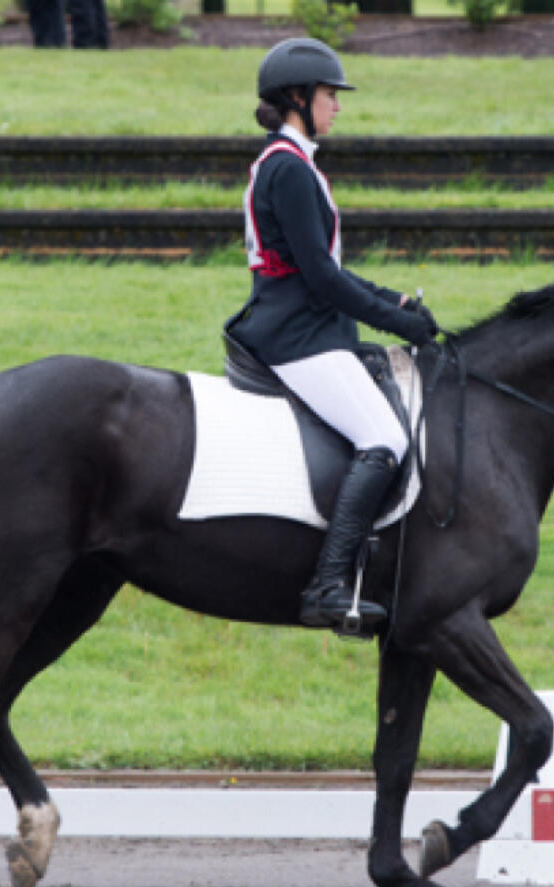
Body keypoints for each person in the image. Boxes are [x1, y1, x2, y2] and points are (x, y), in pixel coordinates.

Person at [225, 37, 438, 632]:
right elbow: (319, 276)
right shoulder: (290, 170)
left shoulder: (288, 161)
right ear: (298, 97)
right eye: (328, 95)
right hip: (298, 335)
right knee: (385, 440)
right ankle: (327, 586)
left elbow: (323, 267)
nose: (337, 106)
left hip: (305, 323)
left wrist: (389, 299)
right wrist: (395, 322)